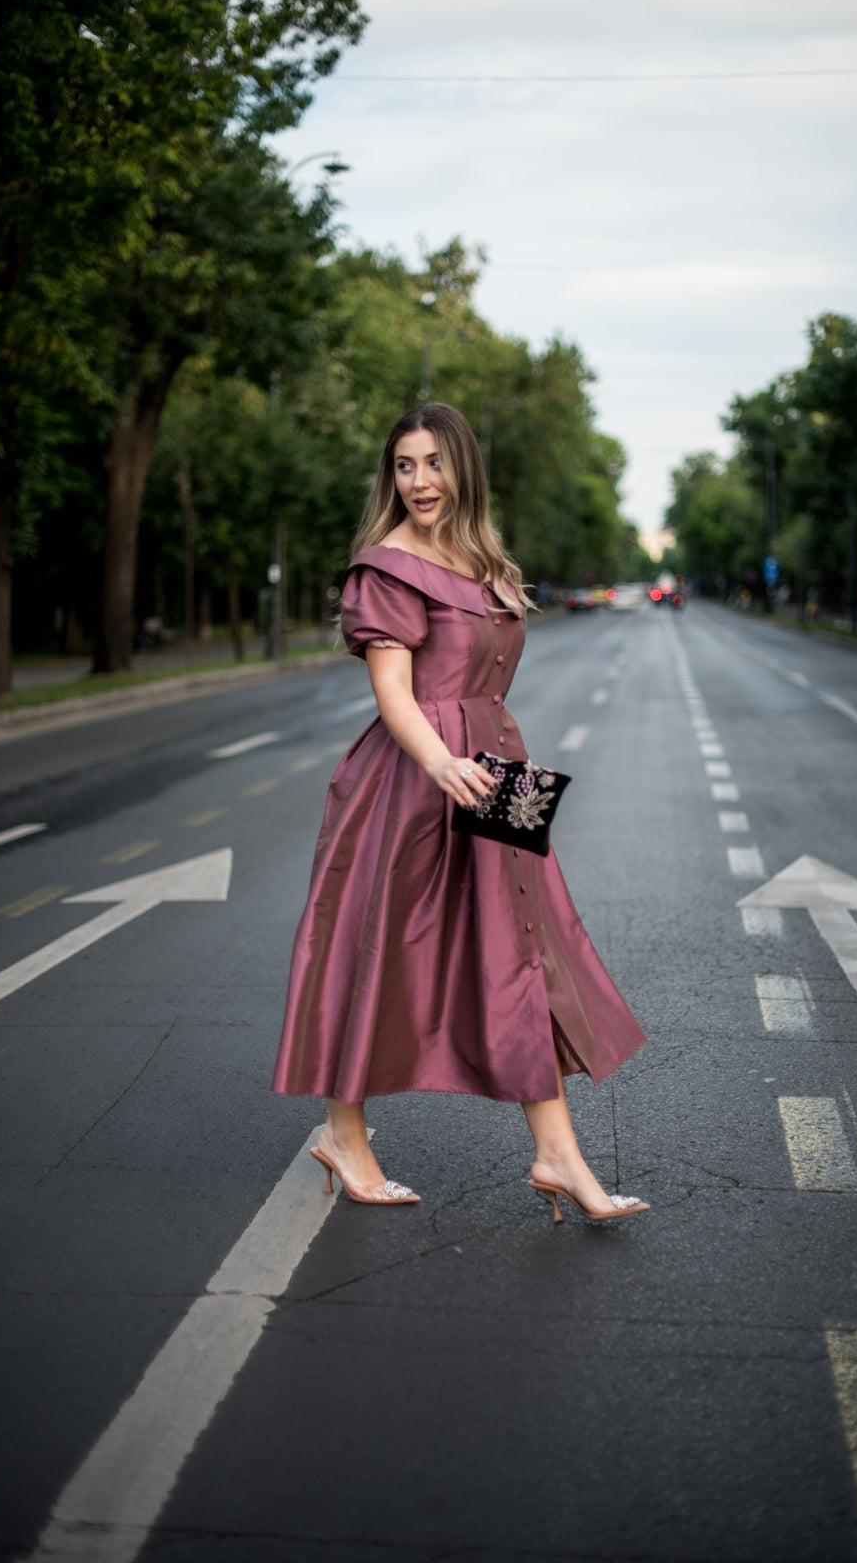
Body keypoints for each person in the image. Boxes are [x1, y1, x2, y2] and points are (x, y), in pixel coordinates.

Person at [273, 403, 649, 1223]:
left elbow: (483, 687)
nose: (419, 482)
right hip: (413, 777)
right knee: (377, 953)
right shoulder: (385, 567)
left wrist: (480, 761)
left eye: (433, 463)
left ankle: (558, 1155)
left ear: (462, 470)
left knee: (530, 948)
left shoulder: (484, 562)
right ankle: (344, 1133)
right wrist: (440, 762)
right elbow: (393, 696)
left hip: (500, 766)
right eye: (404, 466)